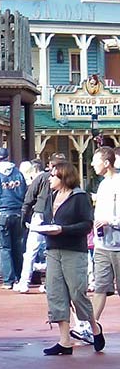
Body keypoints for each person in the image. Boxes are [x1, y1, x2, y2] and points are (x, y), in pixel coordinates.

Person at [38, 161, 100, 355]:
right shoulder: (51, 196)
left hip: (74, 250)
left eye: (53, 176)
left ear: (64, 177)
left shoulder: (80, 197)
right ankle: (64, 341)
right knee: (56, 293)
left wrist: (63, 230)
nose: (49, 179)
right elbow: (46, 219)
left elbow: (86, 225)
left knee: (76, 293)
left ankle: (94, 327)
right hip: (53, 249)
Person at [85, 146, 120, 351]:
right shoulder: (103, 185)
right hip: (102, 244)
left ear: (106, 163)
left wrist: (111, 221)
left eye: (95, 160)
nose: (92, 164)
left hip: (117, 244)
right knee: (99, 287)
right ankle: (91, 326)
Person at [0, 148, 28, 289]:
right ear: (8, 157)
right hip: (18, 212)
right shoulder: (18, 174)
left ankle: (8, 280)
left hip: (3, 212)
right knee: (18, 246)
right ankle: (20, 276)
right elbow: (25, 193)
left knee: (4, 247)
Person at [18, 156, 59, 293]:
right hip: (54, 215)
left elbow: (29, 197)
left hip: (40, 214)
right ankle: (49, 282)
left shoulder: (41, 178)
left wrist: (24, 216)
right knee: (51, 251)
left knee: (31, 250)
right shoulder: (64, 179)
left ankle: (25, 281)